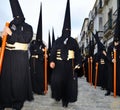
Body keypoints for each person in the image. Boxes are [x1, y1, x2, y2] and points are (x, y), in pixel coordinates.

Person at [0, 0, 33, 109]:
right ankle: (4, 102)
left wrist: (11, 33)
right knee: (6, 80)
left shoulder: (28, 27)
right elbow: (3, 42)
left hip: (20, 57)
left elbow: (26, 38)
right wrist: (2, 35)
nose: (16, 18)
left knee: (18, 81)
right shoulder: (10, 25)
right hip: (8, 56)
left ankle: (17, 104)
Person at [49, 0, 82, 107]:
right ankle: (58, 96)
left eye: (69, 29)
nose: (67, 31)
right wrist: (52, 61)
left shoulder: (73, 41)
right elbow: (53, 52)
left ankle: (66, 100)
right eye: (65, 29)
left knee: (68, 84)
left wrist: (78, 63)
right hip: (58, 65)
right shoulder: (58, 40)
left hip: (69, 65)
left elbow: (78, 53)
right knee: (58, 83)